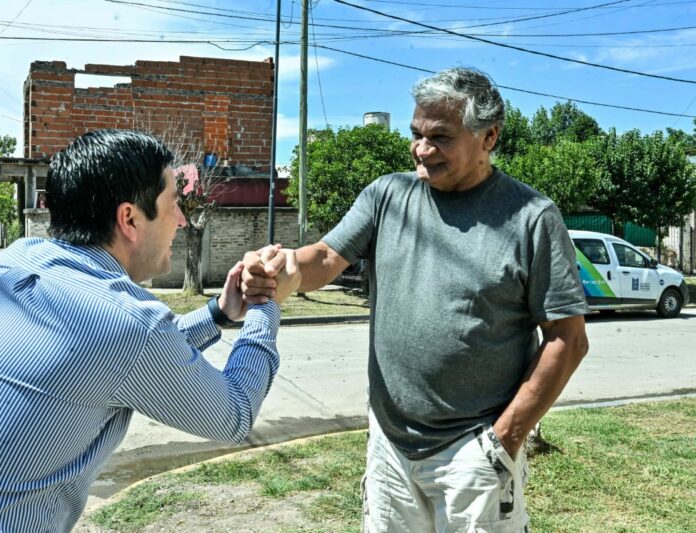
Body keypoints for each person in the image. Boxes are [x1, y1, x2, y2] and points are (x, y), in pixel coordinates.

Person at [0, 129, 301, 532]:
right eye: (174, 204)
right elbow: (234, 415)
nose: (181, 220)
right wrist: (266, 302)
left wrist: (220, 312)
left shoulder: (11, 262)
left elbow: (123, 350)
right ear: (129, 219)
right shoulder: (127, 324)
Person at [243, 68, 589, 532]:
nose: (422, 150)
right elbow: (324, 257)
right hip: (390, 447)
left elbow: (568, 339)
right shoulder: (388, 195)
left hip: (474, 452)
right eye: (416, 135)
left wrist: (504, 439)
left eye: (440, 137)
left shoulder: (532, 218)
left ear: (489, 136)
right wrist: (283, 269)